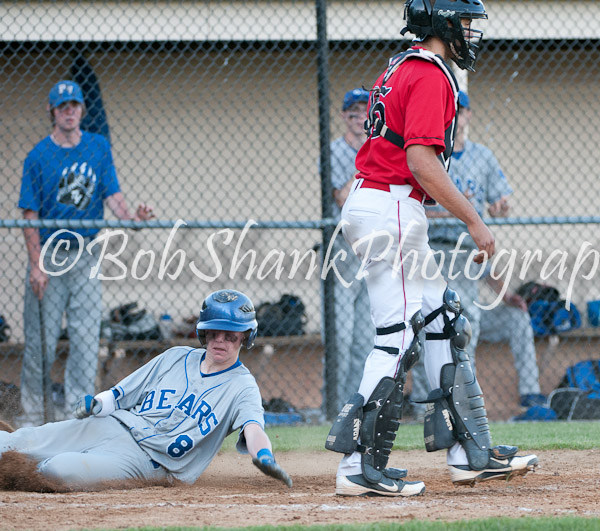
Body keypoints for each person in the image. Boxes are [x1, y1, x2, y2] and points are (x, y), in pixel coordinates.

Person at [325, 0, 538, 497]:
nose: (469, 32)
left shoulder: (403, 64)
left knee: (444, 318)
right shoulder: (430, 72)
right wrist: (474, 219)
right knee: (395, 338)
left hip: (384, 204)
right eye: (463, 22)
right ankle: (358, 466)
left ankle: (470, 454)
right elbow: (421, 162)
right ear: (442, 23)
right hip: (392, 206)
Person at [0, 289, 293, 490]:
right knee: (21, 441)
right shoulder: (175, 357)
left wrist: (263, 455)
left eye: (230, 335)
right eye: (214, 333)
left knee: (57, 470)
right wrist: (96, 404)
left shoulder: (242, 387)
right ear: (203, 333)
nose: (220, 341)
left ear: (246, 337)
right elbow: (119, 395)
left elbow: (253, 428)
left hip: (150, 463)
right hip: (113, 426)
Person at [17, 80, 155, 427]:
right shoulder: (37, 156)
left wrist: (132, 219)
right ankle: (31, 420)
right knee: (41, 344)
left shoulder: (97, 147)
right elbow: (29, 216)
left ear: (81, 109)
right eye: (63, 106)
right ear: (52, 111)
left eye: (74, 105)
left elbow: (113, 196)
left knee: (85, 341)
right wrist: (36, 266)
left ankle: (76, 419)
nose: (69, 111)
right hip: (50, 255)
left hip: (87, 255)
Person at [409, 90, 545, 417]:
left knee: (467, 328)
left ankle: (464, 400)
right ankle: (427, 406)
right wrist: (460, 211)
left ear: (469, 115)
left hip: (468, 252)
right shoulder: (427, 155)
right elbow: (413, 210)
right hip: (431, 249)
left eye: (461, 111)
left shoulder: (482, 156)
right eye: (449, 110)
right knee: (426, 326)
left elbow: (499, 206)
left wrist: (499, 208)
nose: (455, 116)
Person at [320, 88, 374, 415]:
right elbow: (342, 197)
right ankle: (332, 408)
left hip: (373, 251)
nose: (359, 117)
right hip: (341, 251)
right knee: (340, 338)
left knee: (365, 340)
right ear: (343, 116)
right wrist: (367, 162)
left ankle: (354, 409)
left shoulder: (379, 147)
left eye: (365, 110)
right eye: (353, 112)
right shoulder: (333, 152)